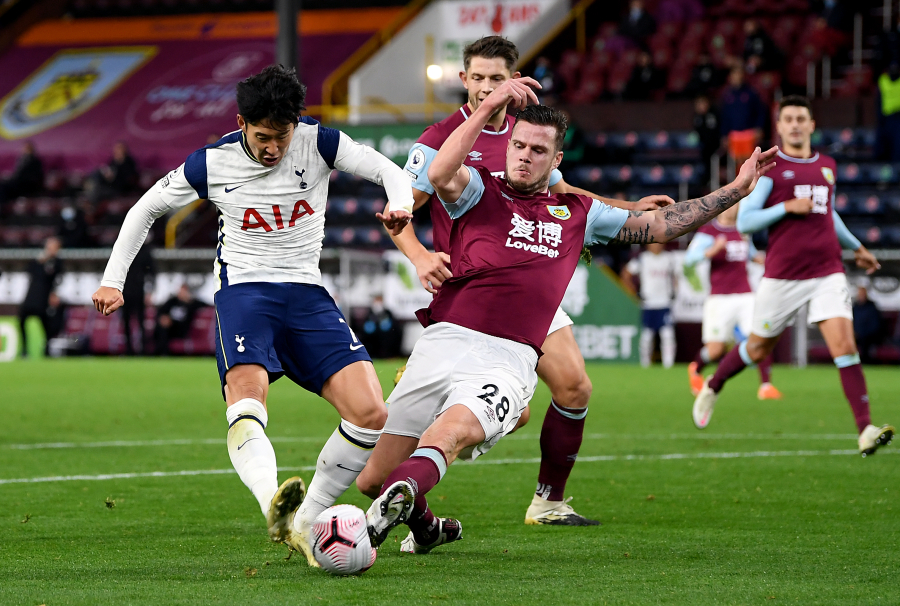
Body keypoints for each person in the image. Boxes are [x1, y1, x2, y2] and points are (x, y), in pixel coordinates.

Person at [362, 77, 777, 553]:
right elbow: (438, 174)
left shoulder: (578, 210)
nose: (523, 155)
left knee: (457, 431)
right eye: (517, 145)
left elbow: (661, 225)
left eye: (538, 150)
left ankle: (529, 497)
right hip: (446, 339)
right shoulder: (479, 190)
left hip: (510, 355)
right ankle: (428, 525)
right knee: (373, 479)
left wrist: (737, 189)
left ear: (556, 160)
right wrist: (486, 108)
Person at [91, 64, 415, 568]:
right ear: (241, 121)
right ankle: (271, 501)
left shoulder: (320, 141)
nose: (273, 148)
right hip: (244, 291)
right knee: (246, 398)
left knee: (372, 412)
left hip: (307, 293)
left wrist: (399, 204)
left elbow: (389, 170)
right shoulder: (210, 162)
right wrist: (114, 278)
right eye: (263, 137)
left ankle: (304, 521)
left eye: (281, 137)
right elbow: (144, 210)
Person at [355, 36, 674, 529]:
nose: (485, 87)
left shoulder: (528, 133)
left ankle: (548, 501)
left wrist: (633, 210)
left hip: (530, 279)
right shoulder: (440, 137)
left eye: (496, 79)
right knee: (479, 418)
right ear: (464, 80)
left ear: (514, 81)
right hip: (473, 292)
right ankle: (463, 423)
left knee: (575, 388)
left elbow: (566, 193)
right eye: (477, 78)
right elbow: (401, 211)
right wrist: (419, 258)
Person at [692, 95, 894, 457]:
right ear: (780, 127)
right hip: (782, 277)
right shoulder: (771, 168)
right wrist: (786, 207)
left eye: (802, 118)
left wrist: (856, 246)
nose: (796, 124)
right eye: (789, 119)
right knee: (756, 348)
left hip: (827, 271)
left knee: (845, 347)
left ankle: (864, 428)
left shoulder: (827, 166)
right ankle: (714, 383)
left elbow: (828, 214)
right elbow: (747, 220)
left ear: (812, 125)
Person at [683, 203, 781, 399]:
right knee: (715, 349)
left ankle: (766, 386)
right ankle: (695, 368)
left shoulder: (743, 231)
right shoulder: (708, 232)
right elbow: (689, 259)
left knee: (759, 337)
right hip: (720, 298)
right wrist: (711, 251)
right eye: (727, 205)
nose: (731, 209)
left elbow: (752, 255)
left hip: (745, 294)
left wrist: (765, 259)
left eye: (735, 205)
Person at [621, 243, 679, 368]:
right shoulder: (643, 259)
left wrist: (674, 292)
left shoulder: (669, 258)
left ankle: (668, 366)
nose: (656, 246)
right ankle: (645, 365)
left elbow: (675, 276)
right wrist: (634, 293)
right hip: (648, 303)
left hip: (664, 302)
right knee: (647, 336)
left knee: (667, 335)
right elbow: (626, 274)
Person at [19, 237, 63, 357]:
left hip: (43, 299)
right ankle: (24, 349)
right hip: (31, 297)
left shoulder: (56, 263)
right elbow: (30, 270)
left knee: (46, 326)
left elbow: (57, 278)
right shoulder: (38, 260)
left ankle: (47, 350)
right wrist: (41, 260)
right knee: (22, 322)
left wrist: (53, 294)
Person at [719, 63, 767, 147]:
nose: (737, 76)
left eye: (739, 73)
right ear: (730, 76)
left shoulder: (751, 93)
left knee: (751, 159)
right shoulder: (727, 95)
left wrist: (759, 128)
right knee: (736, 159)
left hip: (749, 135)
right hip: (733, 136)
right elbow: (724, 117)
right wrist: (724, 134)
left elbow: (760, 112)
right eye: (735, 73)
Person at [122, 241, 155, 355]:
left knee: (141, 321)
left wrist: (149, 292)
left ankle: (143, 349)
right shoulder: (123, 249)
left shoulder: (145, 252)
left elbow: (151, 273)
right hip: (124, 292)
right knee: (125, 321)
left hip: (138, 292)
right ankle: (129, 349)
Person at [154, 283, 204, 355]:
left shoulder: (192, 304)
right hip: (169, 327)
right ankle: (160, 352)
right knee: (161, 328)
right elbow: (161, 311)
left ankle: (162, 353)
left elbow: (206, 305)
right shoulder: (172, 301)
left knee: (164, 329)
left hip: (181, 329)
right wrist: (164, 318)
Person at [0, 141, 43, 206]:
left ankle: (3, 206)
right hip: (17, 182)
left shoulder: (34, 161)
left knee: (3, 186)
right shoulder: (22, 159)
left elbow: (25, 176)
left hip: (25, 185)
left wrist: (10, 178)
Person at [852, 285, 883, 364]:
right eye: (859, 294)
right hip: (856, 335)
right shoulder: (855, 307)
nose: (861, 296)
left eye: (862, 294)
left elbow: (875, 325)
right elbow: (851, 322)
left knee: (864, 339)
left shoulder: (871, 307)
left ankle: (865, 361)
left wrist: (862, 333)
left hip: (869, 335)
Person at [693, 95, 721, 177]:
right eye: (698, 104)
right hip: (702, 147)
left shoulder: (714, 114)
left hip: (715, 146)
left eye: (703, 103)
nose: (701, 106)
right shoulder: (697, 117)